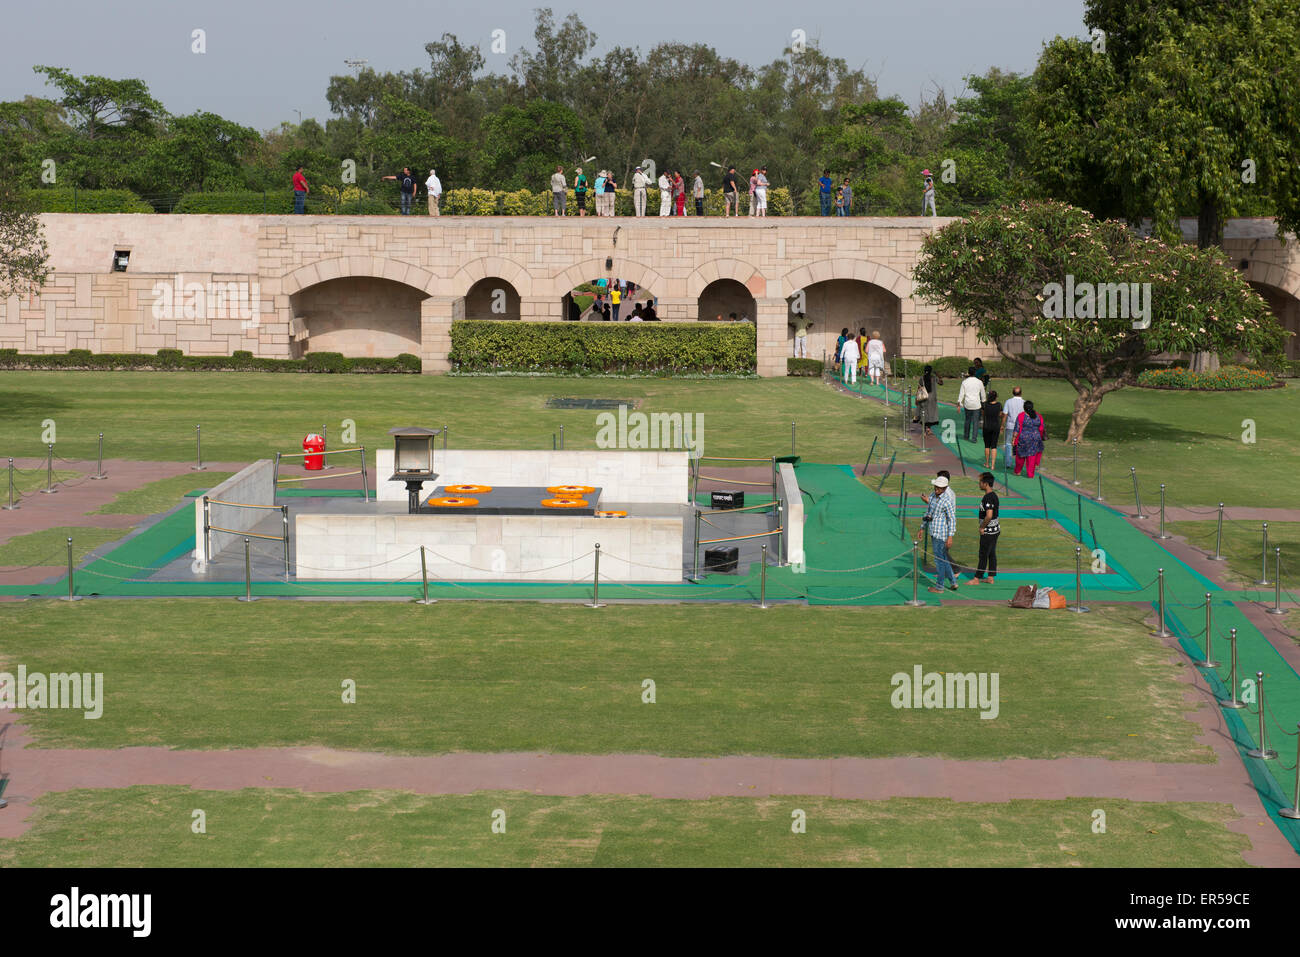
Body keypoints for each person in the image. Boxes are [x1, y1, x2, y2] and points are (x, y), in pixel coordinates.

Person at [924, 475, 958, 592]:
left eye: (939, 487)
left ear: (945, 488)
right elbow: (929, 512)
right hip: (933, 531)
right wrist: (922, 527)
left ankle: (939, 586)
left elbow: (952, 519)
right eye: (936, 486)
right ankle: (953, 582)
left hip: (942, 534)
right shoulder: (932, 496)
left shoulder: (946, 501)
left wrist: (950, 537)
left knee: (939, 561)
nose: (936, 488)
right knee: (943, 559)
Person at [967, 472, 1000, 585]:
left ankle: (977, 578)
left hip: (989, 531)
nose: (979, 484)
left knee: (983, 554)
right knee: (991, 553)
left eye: (980, 482)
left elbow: (989, 515)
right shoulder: (993, 495)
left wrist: (982, 527)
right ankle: (991, 577)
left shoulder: (989, 497)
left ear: (985, 484)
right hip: (995, 530)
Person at [1012, 400, 1046, 478]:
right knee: (1032, 457)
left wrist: (1013, 439)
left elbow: (1017, 428)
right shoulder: (1038, 416)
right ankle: (1030, 474)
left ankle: (1018, 471)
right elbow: (1041, 428)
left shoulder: (1021, 416)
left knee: (1020, 456)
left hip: (1023, 439)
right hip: (1035, 439)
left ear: (1024, 408)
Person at [957, 366, 987, 442]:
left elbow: (961, 394)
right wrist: (983, 401)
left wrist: (959, 403)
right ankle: (974, 438)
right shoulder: (979, 382)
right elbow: (983, 394)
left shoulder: (964, 382)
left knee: (967, 420)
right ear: (975, 373)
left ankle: (966, 436)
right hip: (976, 404)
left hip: (968, 404)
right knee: (976, 421)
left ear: (969, 373)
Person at [1000, 386, 1025, 466]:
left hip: (1010, 426)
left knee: (1008, 444)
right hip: (1021, 427)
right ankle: (1019, 463)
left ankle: (1008, 463)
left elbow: (1005, 415)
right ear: (1021, 393)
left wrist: (1002, 425)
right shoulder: (1024, 402)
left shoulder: (1008, 402)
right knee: (1020, 444)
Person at [981, 390, 1002, 469]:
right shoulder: (999, 405)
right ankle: (993, 465)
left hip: (986, 426)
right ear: (996, 397)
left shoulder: (985, 405)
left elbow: (983, 414)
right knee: (994, 446)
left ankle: (987, 463)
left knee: (987, 446)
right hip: (996, 426)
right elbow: (1000, 415)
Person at [918, 364, 942, 435]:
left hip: (924, 398)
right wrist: (939, 375)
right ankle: (928, 429)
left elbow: (919, 388)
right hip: (932, 399)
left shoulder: (922, 378)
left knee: (924, 413)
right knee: (931, 414)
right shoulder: (934, 378)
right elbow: (941, 383)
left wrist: (918, 399)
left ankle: (924, 430)